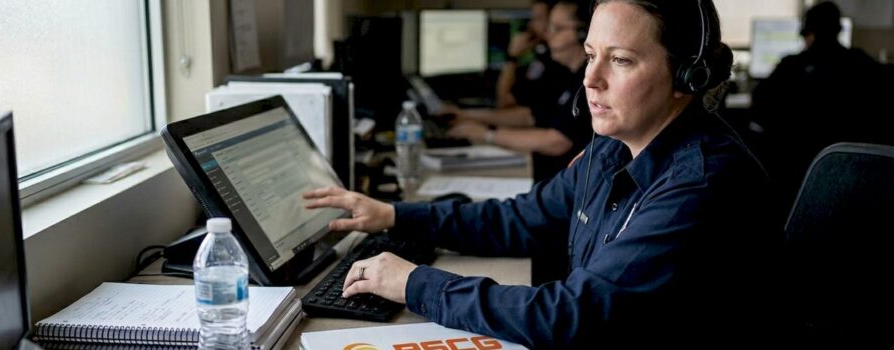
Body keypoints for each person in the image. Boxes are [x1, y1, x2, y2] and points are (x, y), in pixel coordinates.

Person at [305, 0, 771, 347]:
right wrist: (393, 215)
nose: (591, 79)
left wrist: (415, 284)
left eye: (621, 60)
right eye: (591, 55)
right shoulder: (612, 149)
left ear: (685, 77)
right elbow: (520, 220)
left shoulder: (701, 184)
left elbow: (572, 315)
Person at [749, 1, 889, 223]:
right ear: (839, 31)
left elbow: (759, 107)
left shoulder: (791, 67)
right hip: (857, 187)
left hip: (795, 186)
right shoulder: (864, 64)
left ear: (808, 34)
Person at [447, 0, 593, 184]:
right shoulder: (565, 74)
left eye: (558, 28)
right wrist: (470, 117)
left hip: (565, 190)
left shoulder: (589, 82)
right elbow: (532, 115)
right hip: (549, 181)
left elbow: (557, 142)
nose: (548, 35)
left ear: (583, 34)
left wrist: (487, 134)